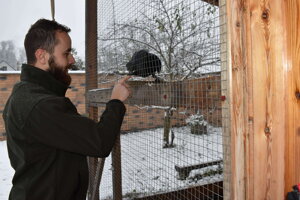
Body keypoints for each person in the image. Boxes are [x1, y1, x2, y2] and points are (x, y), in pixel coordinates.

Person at [2, 18, 130, 200]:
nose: (72, 59)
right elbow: (100, 142)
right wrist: (116, 101)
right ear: (42, 56)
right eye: (66, 53)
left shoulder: (23, 93)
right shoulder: (42, 105)